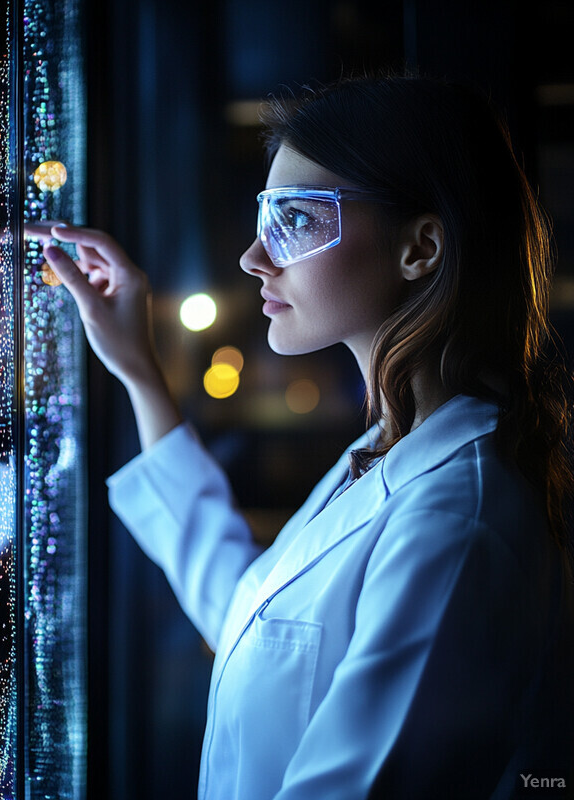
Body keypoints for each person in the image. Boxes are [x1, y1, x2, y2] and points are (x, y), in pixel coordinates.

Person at [33, 74, 574, 798]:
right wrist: (139, 372)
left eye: (296, 219)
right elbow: (260, 621)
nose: (255, 258)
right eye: (266, 216)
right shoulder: (392, 450)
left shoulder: (454, 521)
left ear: (420, 249)